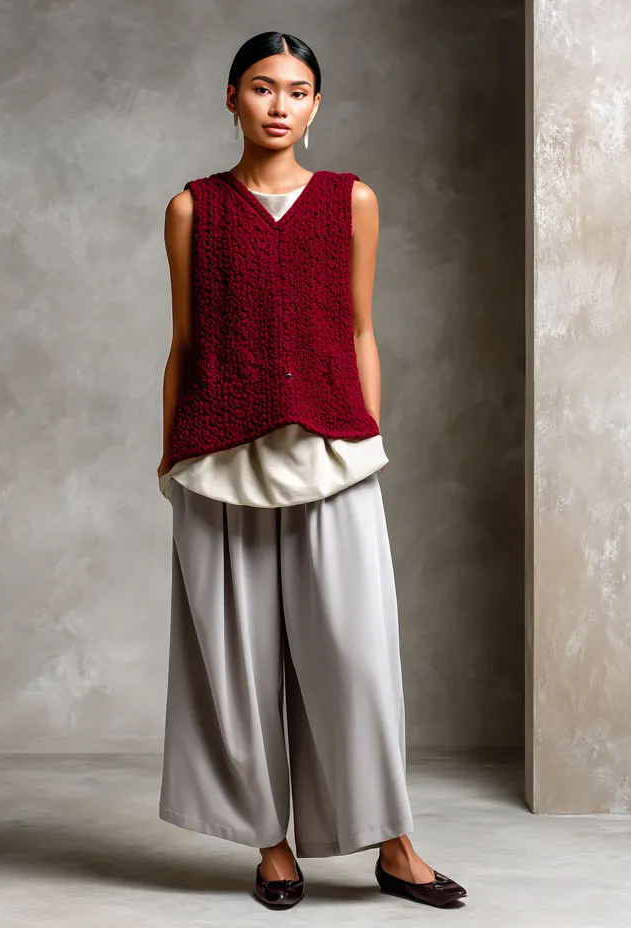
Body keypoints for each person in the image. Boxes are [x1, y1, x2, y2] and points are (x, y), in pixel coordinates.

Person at [155, 31, 466, 911]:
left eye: (297, 90)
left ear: (317, 105)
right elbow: (183, 343)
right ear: (231, 99)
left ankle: (395, 846)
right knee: (238, 662)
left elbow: (361, 329)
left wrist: (364, 433)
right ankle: (273, 847)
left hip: (333, 453)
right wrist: (172, 454)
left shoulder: (351, 201)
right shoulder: (192, 210)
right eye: (262, 88)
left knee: (357, 659)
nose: (280, 105)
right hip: (221, 460)